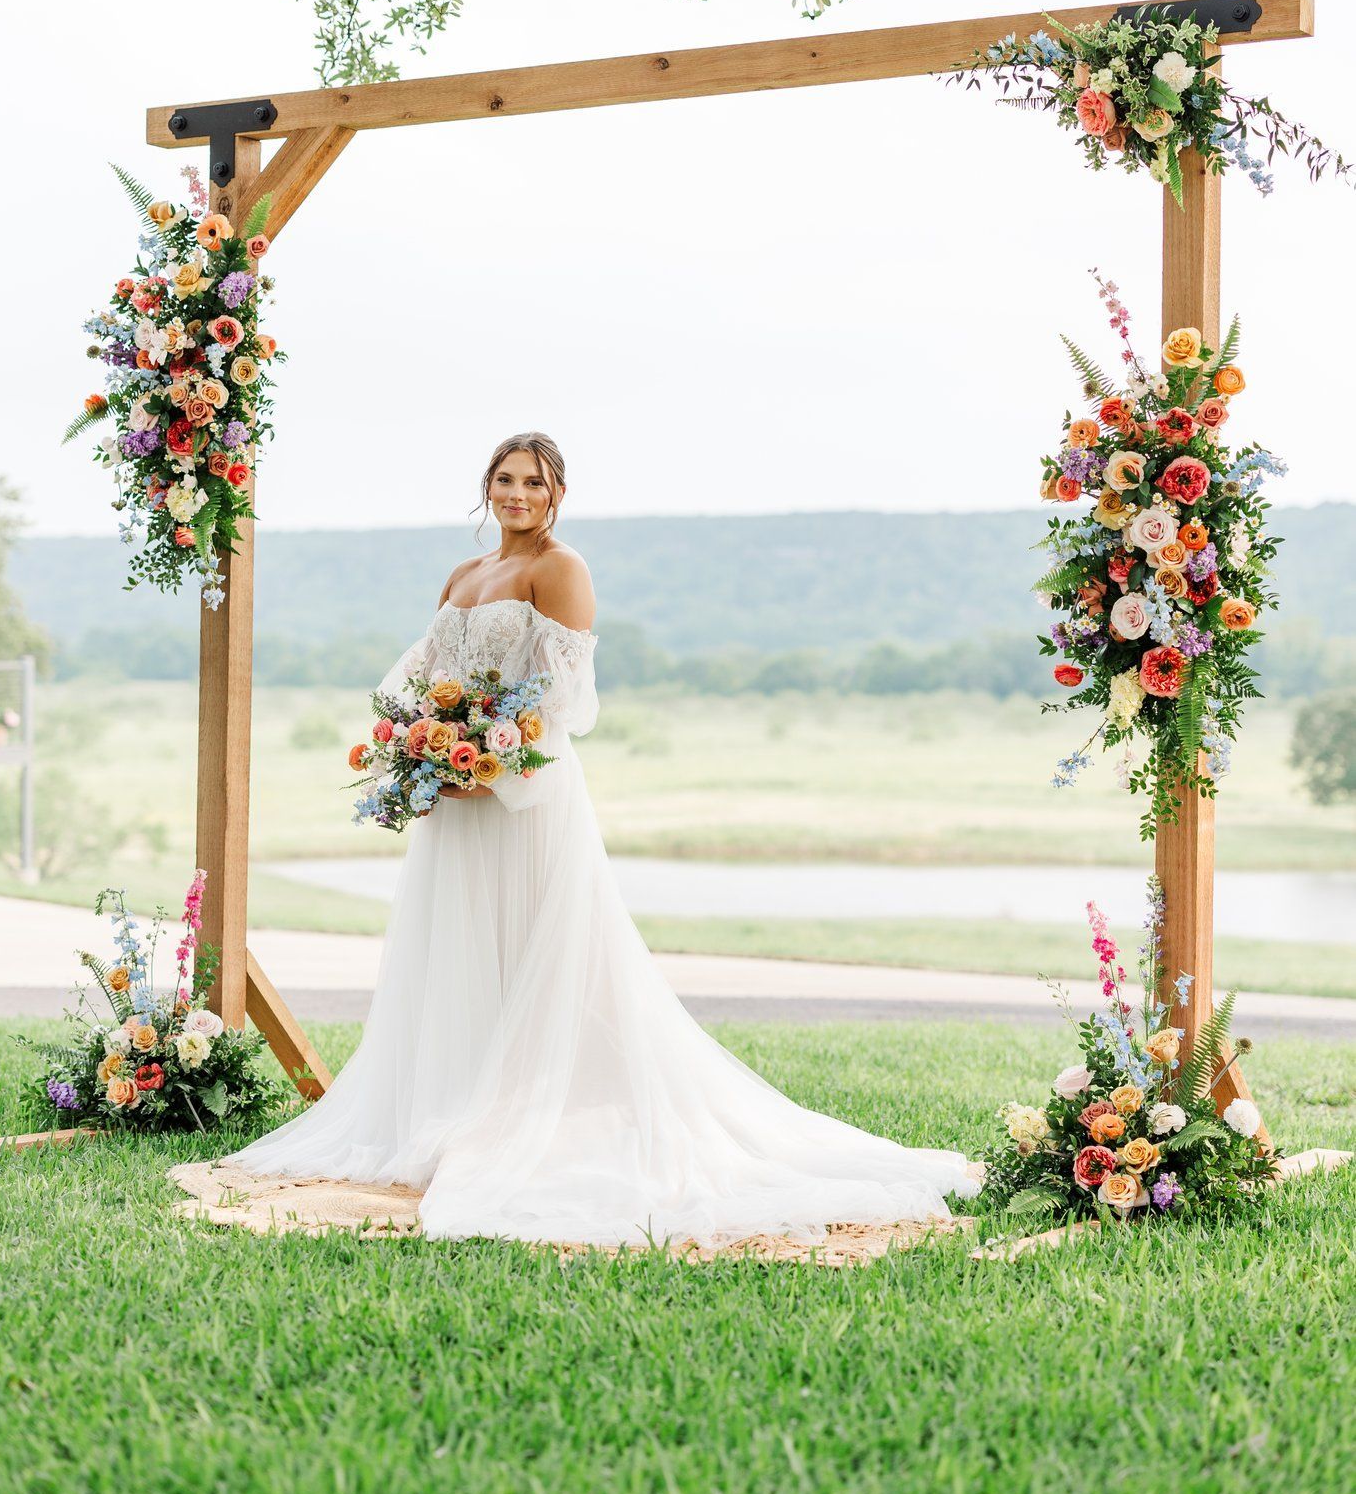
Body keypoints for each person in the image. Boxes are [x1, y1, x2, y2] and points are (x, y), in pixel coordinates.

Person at [205, 432, 978, 1245]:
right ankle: (454, 1109)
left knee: (541, 951)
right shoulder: (463, 575)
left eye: (531, 482)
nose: (515, 494)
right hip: (457, 803)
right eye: (503, 480)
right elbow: (424, 675)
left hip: (524, 798)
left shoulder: (559, 569)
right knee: (459, 954)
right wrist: (420, 752)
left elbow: (561, 699)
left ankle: (536, 1115)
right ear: (485, 488)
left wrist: (491, 765)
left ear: (556, 493)